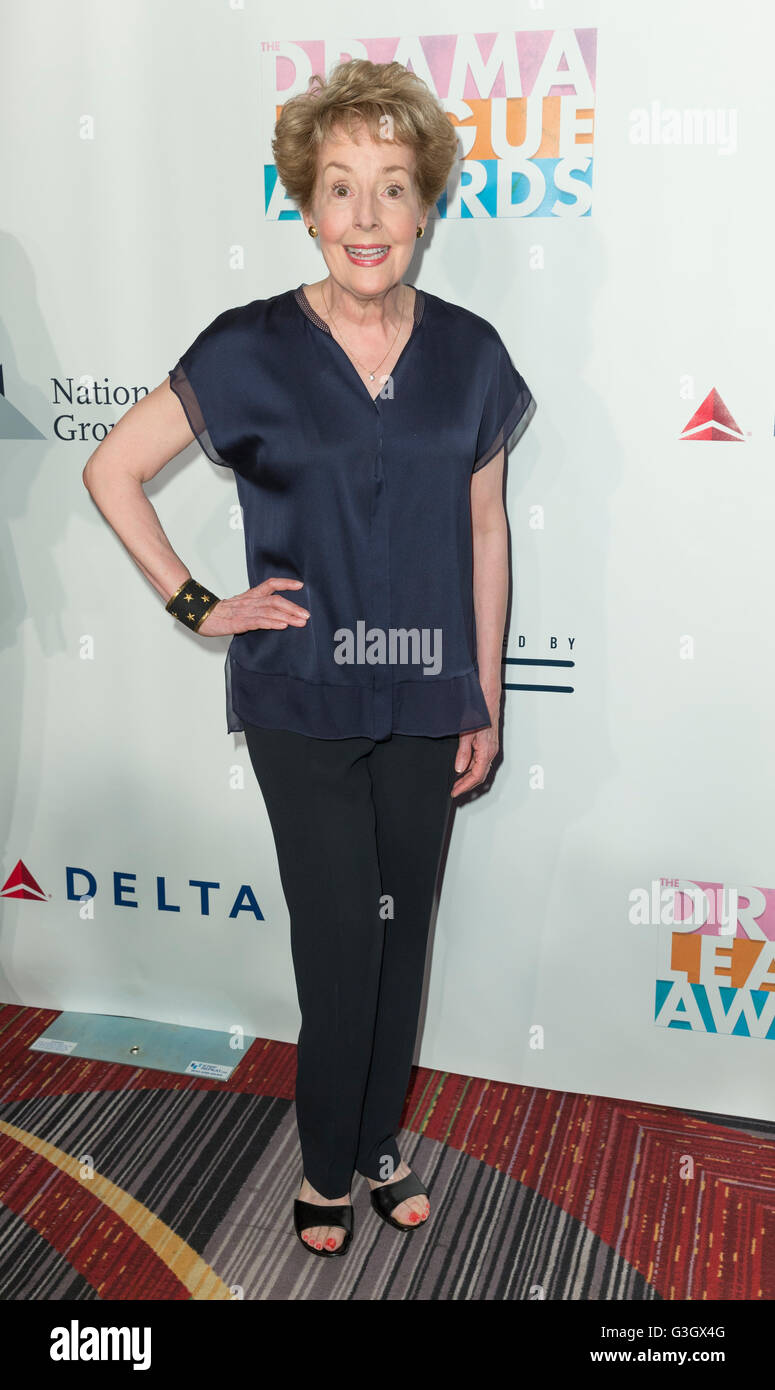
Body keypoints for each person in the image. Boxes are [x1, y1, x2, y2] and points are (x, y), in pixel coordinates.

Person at [82, 57, 535, 1260]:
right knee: (342, 943)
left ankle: (381, 1143)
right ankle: (325, 1160)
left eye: (392, 188)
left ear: (427, 205)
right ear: (306, 204)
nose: (367, 218)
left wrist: (483, 688)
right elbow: (111, 467)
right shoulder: (248, 347)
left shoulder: (474, 357)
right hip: (303, 699)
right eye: (341, 189)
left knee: (404, 933)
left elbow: (484, 531)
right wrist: (197, 602)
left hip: (431, 691)